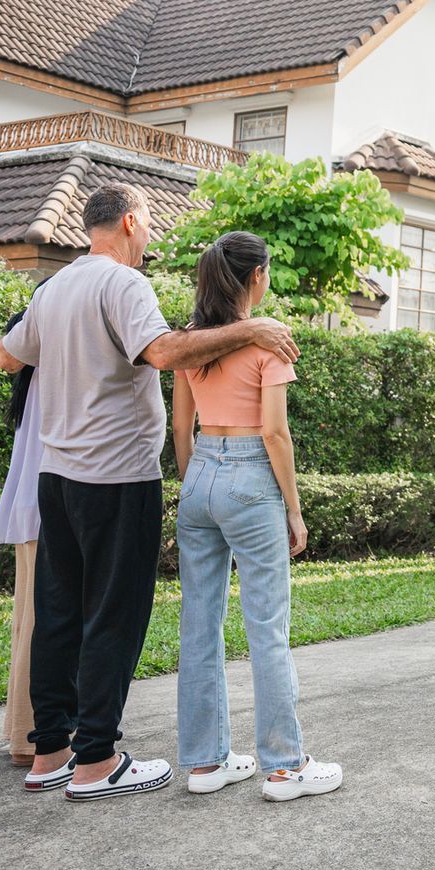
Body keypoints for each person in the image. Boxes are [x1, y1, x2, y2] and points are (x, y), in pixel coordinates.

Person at [0, 183, 297, 803]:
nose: (152, 234)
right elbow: (164, 352)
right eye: (151, 222)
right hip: (115, 475)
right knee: (114, 614)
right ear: (131, 222)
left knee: (59, 612)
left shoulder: (53, 287)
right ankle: (97, 761)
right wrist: (253, 330)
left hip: (56, 474)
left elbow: (7, 356)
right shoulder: (123, 284)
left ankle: (49, 751)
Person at [171, 231, 342, 802]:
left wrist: (201, 484)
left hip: (199, 476)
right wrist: (293, 509)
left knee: (199, 625)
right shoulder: (269, 342)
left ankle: (203, 764)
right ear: (257, 277)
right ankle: (284, 768)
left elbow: (180, 430)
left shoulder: (191, 341)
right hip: (251, 475)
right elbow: (274, 432)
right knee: (266, 627)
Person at [0, 304, 43, 767]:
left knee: (29, 617)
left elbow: (4, 355)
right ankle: (30, 737)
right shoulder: (52, 375)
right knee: (42, 620)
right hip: (50, 508)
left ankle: (21, 730)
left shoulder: (33, 377)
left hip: (34, 507)